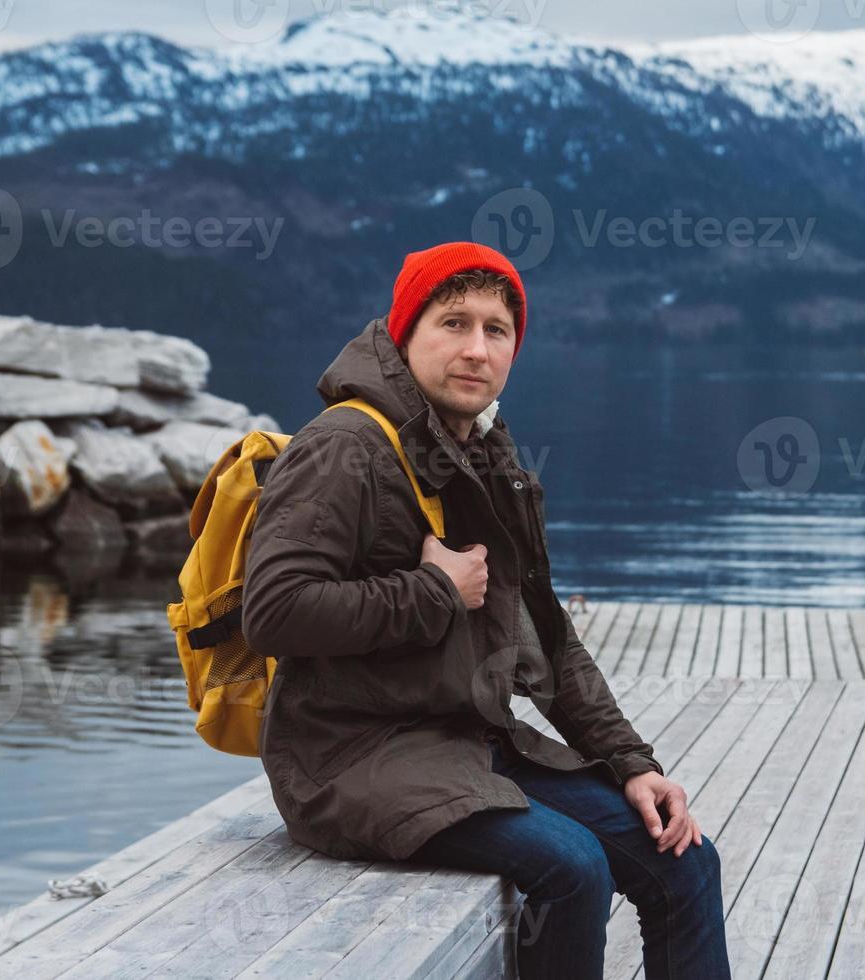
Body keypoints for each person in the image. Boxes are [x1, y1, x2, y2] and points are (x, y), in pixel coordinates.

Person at [241, 241, 731, 979]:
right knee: (573, 868)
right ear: (406, 335)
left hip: (467, 744)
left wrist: (633, 764)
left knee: (685, 859)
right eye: (453, 323)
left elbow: (551, 640)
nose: (475, 349)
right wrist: (431, 592)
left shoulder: (484, 455)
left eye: (495, 330)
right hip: (347, 762)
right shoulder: (344, 447)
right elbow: (272, 611)